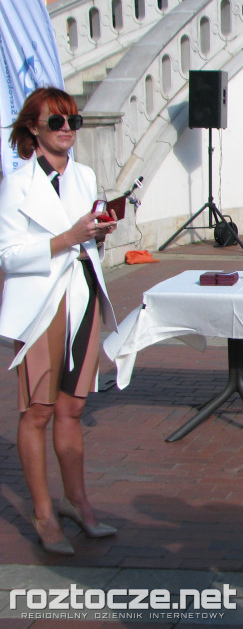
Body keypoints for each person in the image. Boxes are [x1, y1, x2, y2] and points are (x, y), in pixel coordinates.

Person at [0, 87, 119, 556]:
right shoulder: (18, 184)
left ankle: (78, 502)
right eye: (56, 121)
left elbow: (87, 240)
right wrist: (68, 236)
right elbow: (7, 256)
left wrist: (100, 233)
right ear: (33, 128)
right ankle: (44, 513)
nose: (67, 128)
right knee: (38, 412)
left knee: (72, 409)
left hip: (83, 294)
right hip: (41, 304)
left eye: (73, 120)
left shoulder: (86, 176)